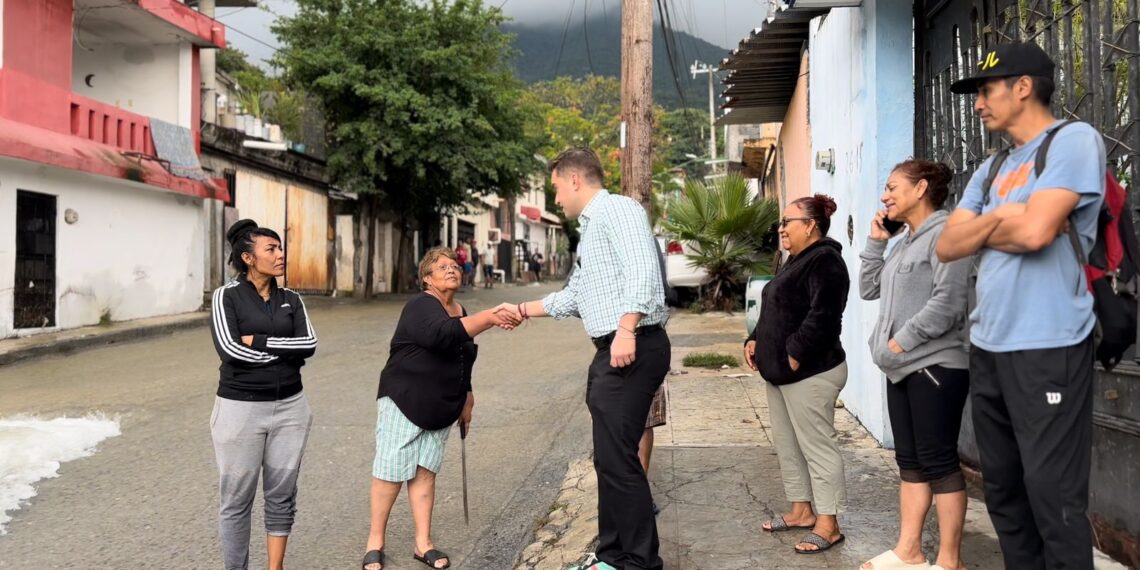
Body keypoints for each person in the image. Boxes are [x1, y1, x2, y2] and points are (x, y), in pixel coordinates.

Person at [935, 42, 1105, 570]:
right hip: (989, 346)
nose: (979, 104)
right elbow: (946, 245)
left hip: (1049, 345)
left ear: (1023, 87)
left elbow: (1034, 232)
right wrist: (1002, 221)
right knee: (1005, 495)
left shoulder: (1073, 142)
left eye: (986, 91)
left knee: (1053, 498)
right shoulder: (993, 167)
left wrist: (986, 226)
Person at [506, 148, 671, 570]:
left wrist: (626, 328)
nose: (555, 198)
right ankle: (611, 556)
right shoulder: (592, 227)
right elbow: (576, 295)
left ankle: (638, 562)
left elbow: (644, 273)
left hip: (632, 345)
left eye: (556, 187)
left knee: (620, 459)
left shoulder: (618, 210)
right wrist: (522, 310)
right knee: (609, 460)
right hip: (612, 350)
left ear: (574, 179)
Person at [361, 247, 520, 570]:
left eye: (455, 266)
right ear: (427, 278)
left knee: (424, 473)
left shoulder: (460, 308)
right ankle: (375, 542)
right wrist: (490, 317)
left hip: (442, 404)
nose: (451, 270)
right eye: (442, 267)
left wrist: (468, 396)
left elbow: (464, 356)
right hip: (404, 399)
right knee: (390, 473)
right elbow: (442, 336)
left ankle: (424, 543)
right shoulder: (421, 305)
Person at [859, 160, 971, 570]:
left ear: (921, 188)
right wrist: (876, 242)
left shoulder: (948, 233)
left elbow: (949, 301)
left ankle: (949, 561)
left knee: (939, 462)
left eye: (892, 187)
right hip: (900, 367)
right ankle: (909, 551)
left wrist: (900, 342)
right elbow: (869, 288)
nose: (885, 195)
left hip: (936, 365)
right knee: (909, 462)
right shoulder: (905, 240)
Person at [208, 219, 318, 570]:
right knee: (237, 500)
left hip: (291, 408)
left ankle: (275, 568)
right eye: (271, 249)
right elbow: (229, 349)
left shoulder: (292, 299)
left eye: (280, 247)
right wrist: (284, 353)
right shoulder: (226, 296)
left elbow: (309, 344)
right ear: (249, 258)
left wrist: (261, 342)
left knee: (282, 495)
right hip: (240, 410)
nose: (280, 254)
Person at [745, 194, 850, 555]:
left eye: (787, 222)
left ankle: (829, 523)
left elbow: (824, 316)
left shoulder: (826, 261)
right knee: (789, 445)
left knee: (817, 447)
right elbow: (775, 305)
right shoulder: (794, 260)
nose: (781, 228)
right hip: (780, 374)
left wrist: (794, 354)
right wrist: (755, 338)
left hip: (811, 373)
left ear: (810, 225)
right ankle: (802, 510)